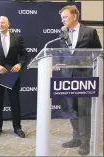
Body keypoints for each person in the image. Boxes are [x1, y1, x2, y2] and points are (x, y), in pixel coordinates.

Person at [59, 5, 102, 156]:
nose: (62, 20)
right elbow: (62, 54)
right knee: (71, 108)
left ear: (74, 16)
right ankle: (76, 137)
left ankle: (85, 142)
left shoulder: (90, 32)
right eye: (62, 17)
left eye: (65, 17)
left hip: (84, 77)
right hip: (67, 77)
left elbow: (98, 53)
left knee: (83, 109)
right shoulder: (63, 32)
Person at [0, 16, 28, 138]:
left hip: (12, 75)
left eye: (3, 23)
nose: (0, 25)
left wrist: (20, 64)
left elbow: (24, 55)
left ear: (9, 24)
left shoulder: (17, 38)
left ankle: (17, 128)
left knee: (15, 102)